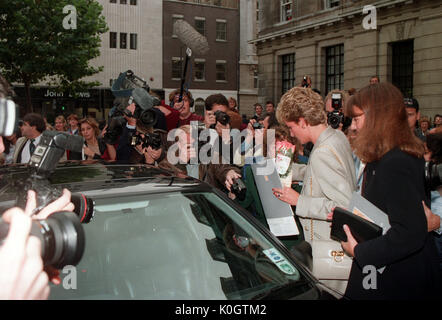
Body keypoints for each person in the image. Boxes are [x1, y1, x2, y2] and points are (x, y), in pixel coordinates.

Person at [339, 82, 440, 300]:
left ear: (376, 118)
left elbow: (409, 233)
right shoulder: (387, 157)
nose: (353, 127)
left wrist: (358, 251)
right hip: (387, 270)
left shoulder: (396, 162)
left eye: (356, 119)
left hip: (397, 277)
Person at [272, 87, 356, 294]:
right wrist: (289, 169)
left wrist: (298, 200)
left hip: (328, 247)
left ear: (303, 121)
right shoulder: (335, 138)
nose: (291, 132)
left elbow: (343, 206)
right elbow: (317, 172)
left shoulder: (323, 151)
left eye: (291, 126)